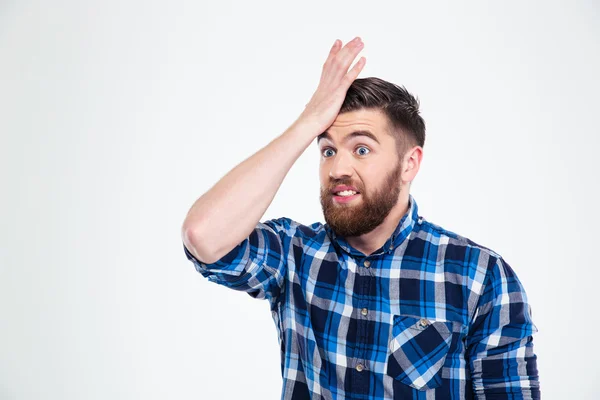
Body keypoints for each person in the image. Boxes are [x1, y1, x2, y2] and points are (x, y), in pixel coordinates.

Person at [181, 37, 540, 399]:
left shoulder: (480, 275)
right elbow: (203, 235)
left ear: (409, 163)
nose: (338, 167)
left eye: (362, 148)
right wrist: (309, 121)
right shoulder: (295, 254)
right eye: (328, 150)